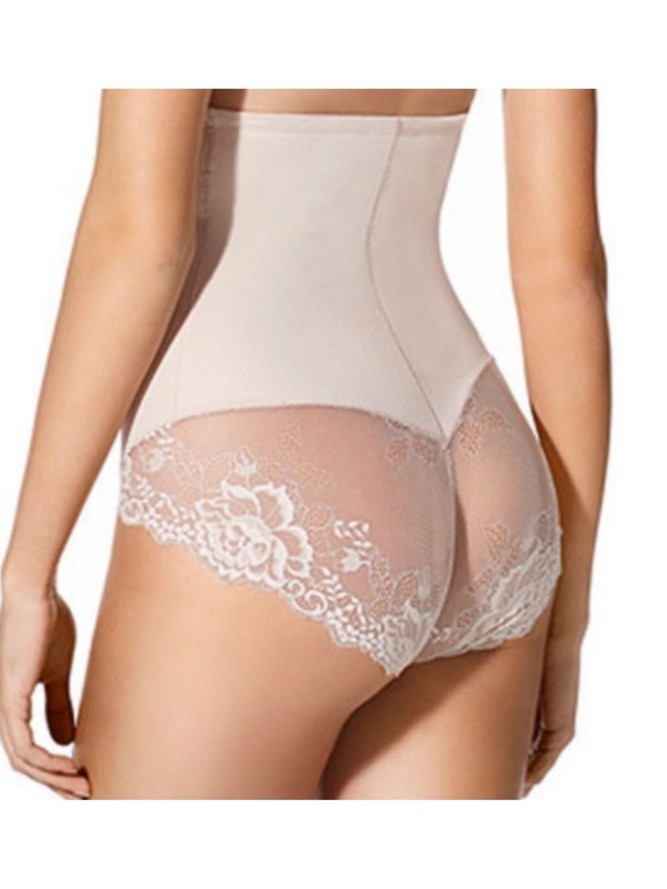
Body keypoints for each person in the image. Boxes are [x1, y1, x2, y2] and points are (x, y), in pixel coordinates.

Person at [0, 89, 610, 800]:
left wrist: (27, 579)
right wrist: (566, 620)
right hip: (484, 467)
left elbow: (141, 243)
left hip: (264, 464)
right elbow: (564, 274)